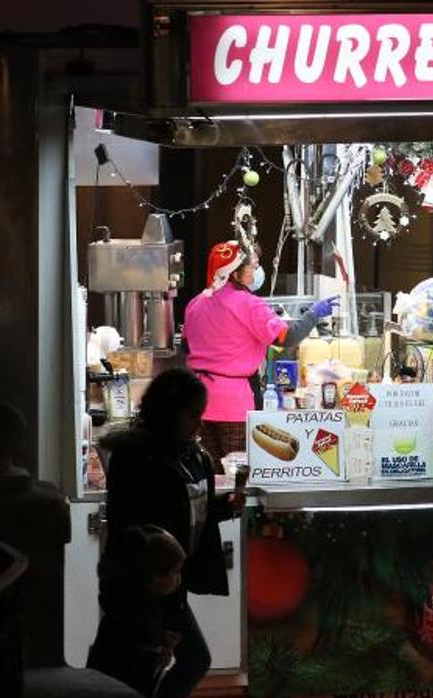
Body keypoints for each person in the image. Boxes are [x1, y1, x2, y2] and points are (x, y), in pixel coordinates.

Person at [102, 368, 244, 698]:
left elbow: (191, 508)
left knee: (170, 663)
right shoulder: (135, 456)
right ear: (168, 412)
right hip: (141, 585)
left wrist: (226, 506)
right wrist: (157, 600)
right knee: (155, 665)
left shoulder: (192, 454)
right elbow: (133, 527)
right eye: (192, 415)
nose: (199, 424)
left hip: (170, 581)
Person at [183, 240, 339, 466]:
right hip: (234, 403)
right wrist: (314, 314)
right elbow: (288, 337)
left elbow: (187, 346)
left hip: (198, 401)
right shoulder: (249, 304)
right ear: (235, 273)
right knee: (238, 475)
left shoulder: (196, 303)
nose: (257, 271)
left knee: (210, 473)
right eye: (253, 266)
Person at [87, 525, 187, 696]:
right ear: (157, 578)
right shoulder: (143, 616)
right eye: (175, 573)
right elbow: (140, 672)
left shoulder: (126, 603)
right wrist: (160, 658)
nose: (179, 580)